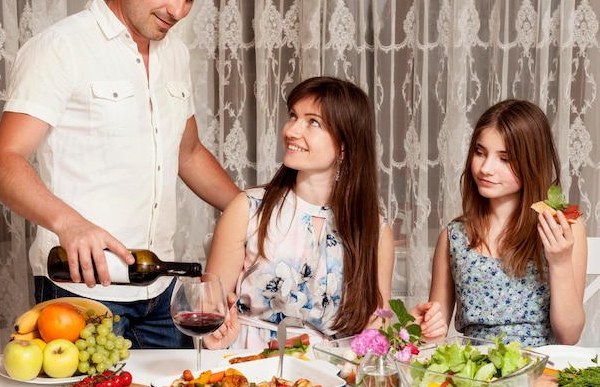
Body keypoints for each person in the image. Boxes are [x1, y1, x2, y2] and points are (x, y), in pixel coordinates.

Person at [0, 0, 240, 348]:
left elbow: (189, 153)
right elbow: (1, 162)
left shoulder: (174, 53)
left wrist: (255, 214)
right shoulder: (61, 48)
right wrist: (70, 224)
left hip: (161, 294)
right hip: (81, 293)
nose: (178, 12)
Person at [203, 76, 446, 350]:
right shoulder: (247, 209)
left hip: (331, 372)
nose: (292, 131)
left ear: (344, 146)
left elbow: (376, 326)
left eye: (313, 122)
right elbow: (211, 316)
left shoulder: (374, 231)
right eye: (293, 116)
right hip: (251, 368)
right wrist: (219, 333)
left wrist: (408, 327)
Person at [429, 99, 587, 347]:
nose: (486, 168)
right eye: (480, 153)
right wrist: (423, 327)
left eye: (504, 159)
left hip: (540, 371)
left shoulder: (563, 227)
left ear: (531, 163)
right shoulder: (454, 236)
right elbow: (433, 334)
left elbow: (570, 336)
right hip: (475, 375)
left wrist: (560, 262)